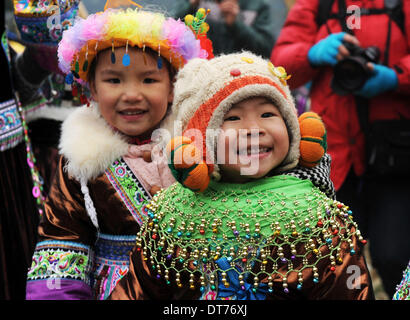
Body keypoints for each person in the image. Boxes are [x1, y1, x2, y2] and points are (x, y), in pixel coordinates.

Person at [109, 51, 373, 300]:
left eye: (268, 114)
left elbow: (349, 289)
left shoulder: (320, 217)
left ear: (294, 130)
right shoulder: (171, 214)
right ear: (199, 142)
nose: (253, 129)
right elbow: (139, 290)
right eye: (232, 118)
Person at [25, 4, 213, 300]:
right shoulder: (79, 163)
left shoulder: (201, 149)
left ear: (173, 88)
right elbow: (62, 244)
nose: (132, 94)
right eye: (114, 80)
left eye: (149, 80)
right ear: (93, 90)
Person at [271, 0, 410, 297]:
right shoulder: (317, 5)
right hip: (334, 159)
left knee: (394, 257)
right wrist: (312, 54)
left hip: (396, 155)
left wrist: (395, 77)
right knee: (334, 264)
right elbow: (280, 65)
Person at [171, 0, 277, 58]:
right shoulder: (194, 4)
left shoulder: (256, 5)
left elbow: (266, 49)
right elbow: (170, 34)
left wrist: (236, 25)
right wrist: (190, 6)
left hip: (240, 73)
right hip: (200, 73)